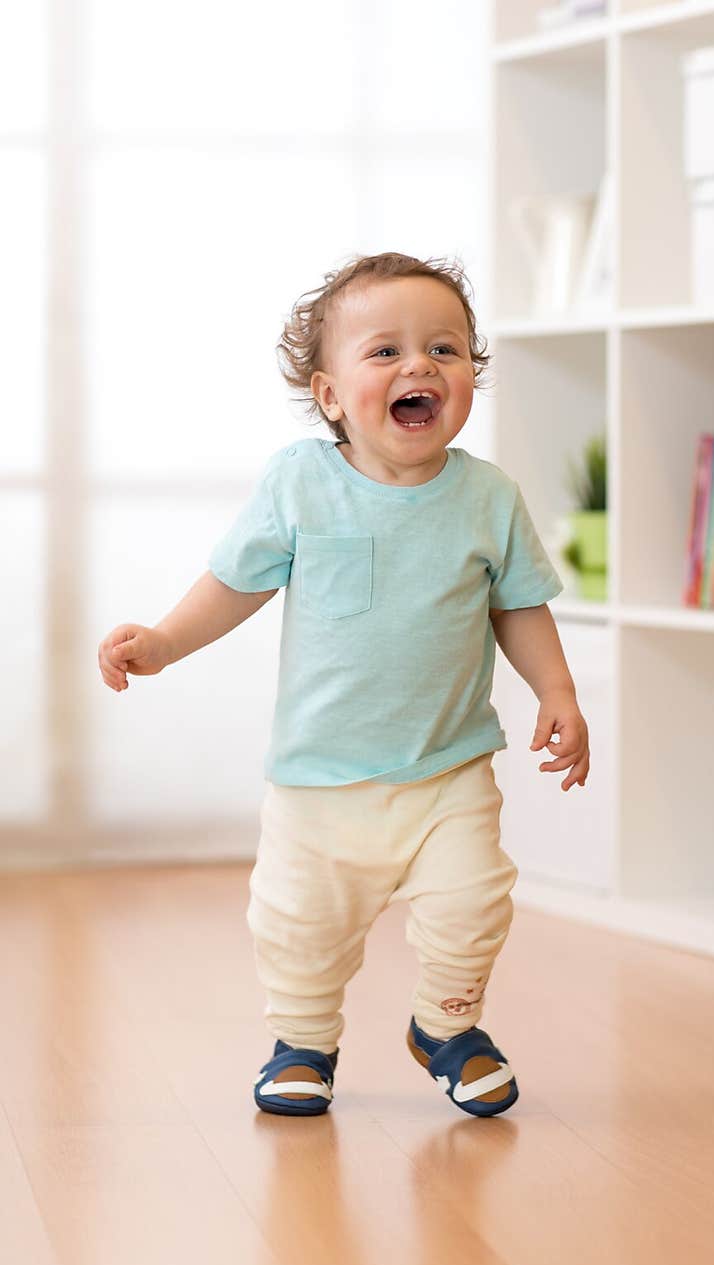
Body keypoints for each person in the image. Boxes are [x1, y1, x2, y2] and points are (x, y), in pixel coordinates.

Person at [97, 252, 590, 1120]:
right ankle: (303, 1041)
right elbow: (237, 582)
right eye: (386, 352)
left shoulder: (488, 498)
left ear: (470, 376)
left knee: (474, 902)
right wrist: (167, 641)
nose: (420, 367)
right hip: (320, 778)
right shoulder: (301, 483)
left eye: (445, 349)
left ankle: (446, 1027)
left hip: (447, 767)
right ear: (329, 396)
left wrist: (557, 690)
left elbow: (518, 605)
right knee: (300, 927)